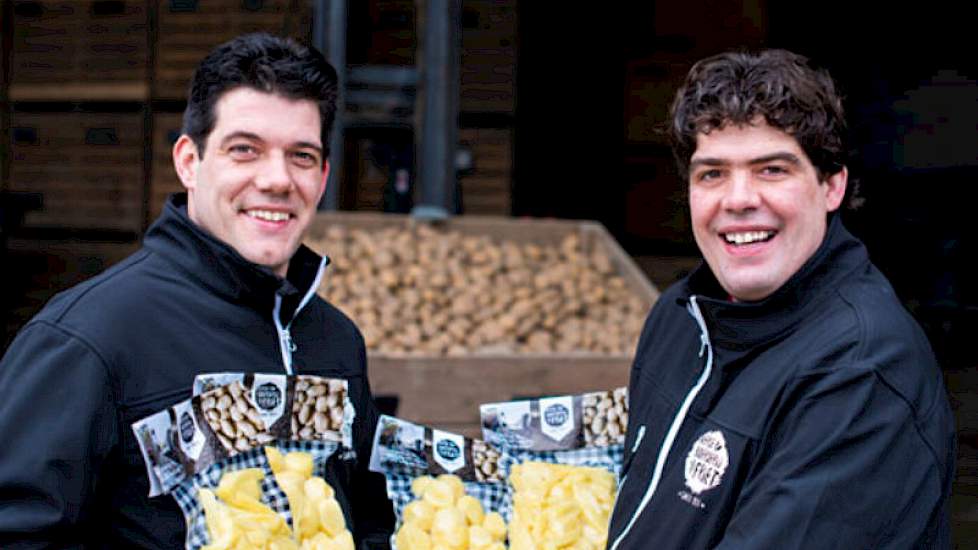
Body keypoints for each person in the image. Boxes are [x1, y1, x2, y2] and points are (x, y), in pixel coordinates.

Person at [0, 33, 394, 548]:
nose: (277, 179)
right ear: (189, 161)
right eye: (244, 150)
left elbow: (369, 523)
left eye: (300, 156)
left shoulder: (336, 342)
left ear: (321, 178)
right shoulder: (87, 338)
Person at [606, 49, 956, 549]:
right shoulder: (680, 318)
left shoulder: (861, 372)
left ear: (832, 185)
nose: (739, 198)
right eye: (712, 173)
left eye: (772, 169)